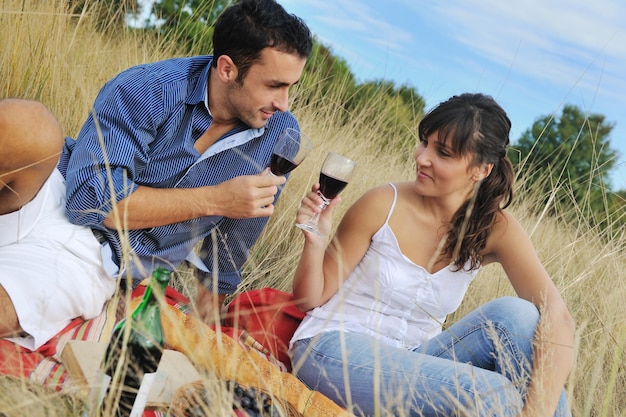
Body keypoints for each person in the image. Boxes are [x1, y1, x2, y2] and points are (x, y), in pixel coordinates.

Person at [289, 93, 575, 416]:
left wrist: (537, 410)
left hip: (419, 358)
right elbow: (309, 300)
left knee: (520, 318)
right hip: (333, 349)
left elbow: (559, 318)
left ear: (481, 169)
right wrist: (315, 242)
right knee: (494, 393)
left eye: (442, 152)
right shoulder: (382, 203)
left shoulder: (494, 227)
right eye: (424, 143)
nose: (422, 157)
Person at [57, 0, 313, 324]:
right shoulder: (149, 89)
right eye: (274, 86)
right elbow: (90, 201)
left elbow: (231, 245)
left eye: (291, 87)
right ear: (227, 69)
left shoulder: (281, 133)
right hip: (64, 217)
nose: (283, 104)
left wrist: (210, 326)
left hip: (126, 272)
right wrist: (217, 199)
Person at [0, 98, 116, 350]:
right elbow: (101, 202)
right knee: (33, 122)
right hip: (59, 188)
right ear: (225, 69)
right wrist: (213, 199)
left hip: (91, 255)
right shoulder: (159, 87)